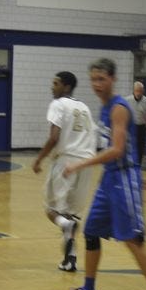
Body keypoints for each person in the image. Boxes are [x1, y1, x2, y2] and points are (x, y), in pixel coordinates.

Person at [59, 58, 146, 290]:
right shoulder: (103, 108)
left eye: (101, 79)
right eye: (93, 79)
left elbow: (117, 150)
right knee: (91, 232)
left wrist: (79, 164)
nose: (97, 84)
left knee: (132, 239)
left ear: (112, 79)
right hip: (109, 179)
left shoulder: (119, 109)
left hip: (125, 178)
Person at [32, 71, 97, 272]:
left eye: (56, 83)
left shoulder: (58, 104)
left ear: (66, 86)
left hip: (66, 161)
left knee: (52, 210)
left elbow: (54, 137)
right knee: (72, 215)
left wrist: (39, 159)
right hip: (86, 163)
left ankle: (64, 225)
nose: (52, 87)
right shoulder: (84, 107)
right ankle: (70, 260)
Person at [124, 81, 146, 165]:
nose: (138, 93)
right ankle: (128, 163)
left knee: (140, 147)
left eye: (140, 91)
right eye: (137, 91)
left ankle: (138, 164)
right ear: (133, 91)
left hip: (141, 127)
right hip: (130, 127)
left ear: (143, 91)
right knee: (130, 146)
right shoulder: (127, 100)